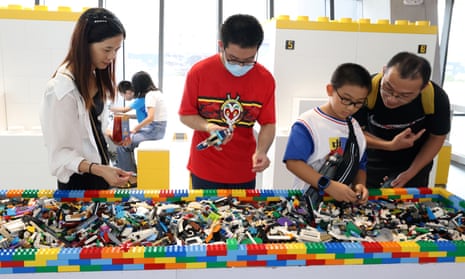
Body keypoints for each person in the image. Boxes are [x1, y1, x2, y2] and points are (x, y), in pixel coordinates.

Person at [40, 8, 134, 190]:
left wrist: (111, 136)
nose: (112, 57)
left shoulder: (94, 75)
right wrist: (98, 169)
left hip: (101, 175)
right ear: (84, 44)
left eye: (116, 50)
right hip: (79, 183)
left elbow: (89, 130)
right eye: (107, 49)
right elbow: (60, 154)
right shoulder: (61, 90)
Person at [178, 14, 276, 189]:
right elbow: (186, 115)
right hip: (205, 168)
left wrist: (262, 151)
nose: (240, 65)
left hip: (244, 170)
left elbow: (268, 123)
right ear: (221, 45)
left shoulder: (265, 79)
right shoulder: (199, 72)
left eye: (248, 60)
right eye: (233, 58)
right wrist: (209, 127)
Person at [353, 52, 451, 188]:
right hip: (372, 159)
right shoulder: (367, 90)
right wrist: (390, 145)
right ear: (384, 71)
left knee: (409, 206)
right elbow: (354, 133)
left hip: (414, 162)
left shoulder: (436, 98)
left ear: (423, 88)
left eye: (405, 95)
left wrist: (411, 173)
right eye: (387, 88)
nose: (391, 99)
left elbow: (437, 137)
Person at [283, 63, 371, 204]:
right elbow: (293, 162)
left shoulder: (356, 129)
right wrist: (328, 185)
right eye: (345, 99)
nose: (350, 107)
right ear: (330, 90)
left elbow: (360, 164)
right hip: (306, 203)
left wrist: (359, 185)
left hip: (341, 205)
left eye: (358, 103)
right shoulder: (308, 122)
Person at [111, 71, 168, 174]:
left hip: (153, 130)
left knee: (124, 143)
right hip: (158, 129)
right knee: (126, 139)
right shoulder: (157, 92)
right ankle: (130, 169)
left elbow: (150, 118)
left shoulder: (150, 95)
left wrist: (135, 129)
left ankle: (129, 174)